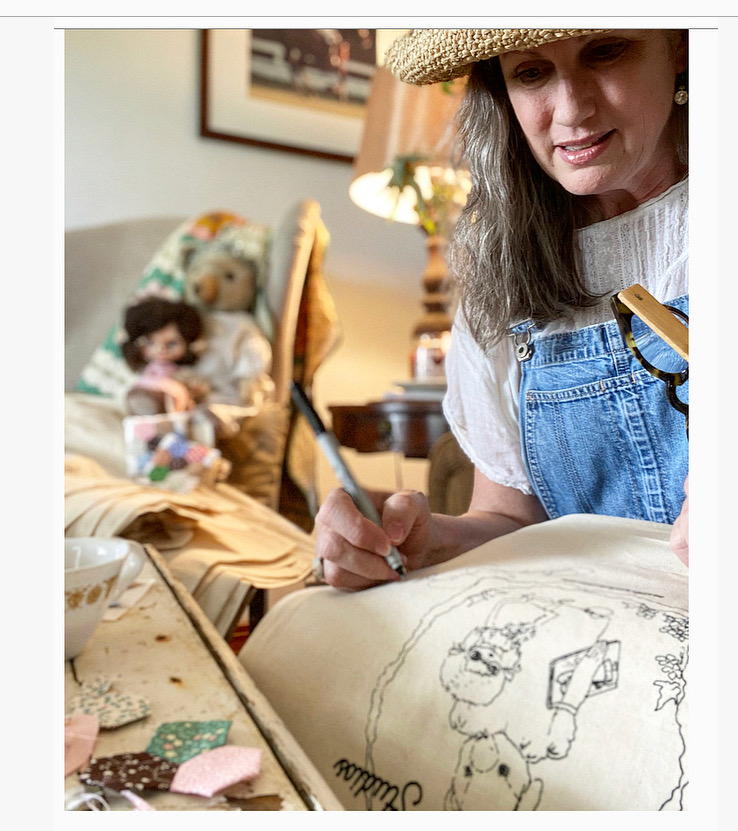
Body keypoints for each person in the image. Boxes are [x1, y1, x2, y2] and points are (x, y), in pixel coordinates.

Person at [315, 28, 689, 590]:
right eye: (531, 73)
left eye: (605, 52)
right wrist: (418, 543)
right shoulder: (505, 276)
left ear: (679, 46)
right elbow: (513, 520)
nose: (571, 109)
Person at [121, 296, 208, 415]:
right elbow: (142, 382)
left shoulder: (183, 370)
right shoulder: (152, 369)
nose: (161, 349)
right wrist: (167, 385)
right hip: (150, 407)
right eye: (150, 342)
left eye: (172, 343)